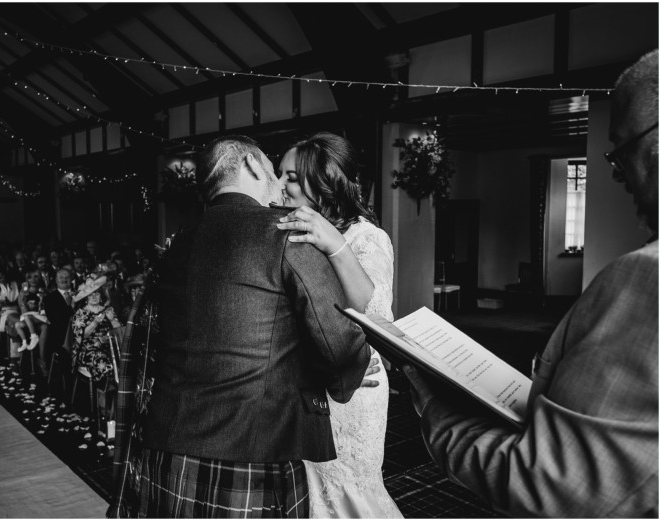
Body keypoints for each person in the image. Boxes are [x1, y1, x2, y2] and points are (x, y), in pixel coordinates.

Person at [404, 49, 659, 518]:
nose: (618, 175)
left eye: (620, 152)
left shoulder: (648, 276)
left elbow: (552, 486)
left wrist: (437, 410)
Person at [108, 135, 371, 518]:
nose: (280, 184)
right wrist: (348, 374)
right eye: (272, 169)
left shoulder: (178, 243)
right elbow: (339, 345)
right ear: (249, 165)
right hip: (250, 455)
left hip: (164, 453)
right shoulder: (287, 232)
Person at [276, 131, 402, 518]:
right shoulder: (291, 233)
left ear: (325, 182)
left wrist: (334, 244)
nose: (279, 185)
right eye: (279, 175)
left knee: (349, 495)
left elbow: (375, 313)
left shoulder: (367, 238)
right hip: (305, 388)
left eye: (291, 177)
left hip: (354, 393)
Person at [71, 275, 121, 383]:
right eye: (90, 295)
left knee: (124, 364)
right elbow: (81, 336)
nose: (94, 297)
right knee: (107, 366)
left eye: (97, 293)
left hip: (110, 348)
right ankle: (106, 395)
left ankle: (119, 395)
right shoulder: (80, 313)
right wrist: (95, 323)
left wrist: (112, 320)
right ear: (86, 298)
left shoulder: (108, 309)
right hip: (88, 350)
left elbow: (119, 332)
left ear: (101, 295)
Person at [39, 269, 74, 376]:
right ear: (56, 280)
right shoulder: (49, 299)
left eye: (67, 277)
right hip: (61, 336)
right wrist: (69, 307)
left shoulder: (81, 294)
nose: (64, 279)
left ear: (72, 279)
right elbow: (57, 321)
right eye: (61, 277)